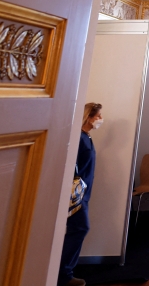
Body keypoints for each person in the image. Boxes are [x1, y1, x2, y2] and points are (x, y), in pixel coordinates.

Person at [58, 102, 103, 286]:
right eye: (98, 116)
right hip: (76, 195)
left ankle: (64, 271)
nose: (100, 119)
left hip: (83, 194)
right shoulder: (78, 138)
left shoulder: (86, 137)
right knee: (80, 228)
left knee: (78, 229)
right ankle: (64, 275)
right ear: (89, 117)